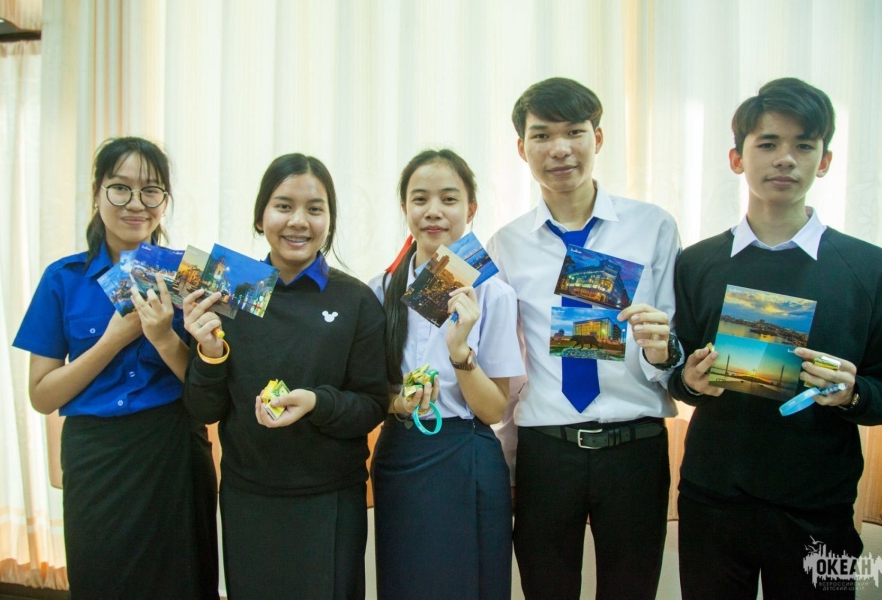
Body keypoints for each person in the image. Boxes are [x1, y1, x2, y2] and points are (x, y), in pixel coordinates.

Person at [670, 77, 882, 598]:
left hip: (819, 507)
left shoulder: (869, 267)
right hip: (713, 499)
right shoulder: (698, 262)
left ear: (825, 161)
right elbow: (675, 374)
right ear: (737, 159)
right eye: (768, 144)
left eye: (803, 146)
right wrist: (691, 381)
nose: (785, 159)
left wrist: (852, 393)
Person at [488, 77, 682, 599]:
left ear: (597, 138)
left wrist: (664, 350)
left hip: (635, 447)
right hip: (547, 453)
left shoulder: (653, 227)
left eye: (574, 131)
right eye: (542, 135)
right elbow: (503, 358)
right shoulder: (506, 244)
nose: (560, 149)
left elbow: (675, 342)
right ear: (521, 147)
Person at [12, 137, 219, 599]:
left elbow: (209, 392)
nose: (136, 203)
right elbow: (42, 395)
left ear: (165, 201)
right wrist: (112, 341)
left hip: (172, 448)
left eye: (151, 190)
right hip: (96, 457)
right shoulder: (63, 278)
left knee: (184, 583)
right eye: (120, 188)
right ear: (97, 193)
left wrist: (164, 337)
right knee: (101, 580)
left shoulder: (193, 275)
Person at [182, 153, 388, 599]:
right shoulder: (226, 291)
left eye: (314, 208)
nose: (298, 221)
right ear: (260, 217)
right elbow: (204, 409)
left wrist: (317, 402)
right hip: (248, 496)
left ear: (329, 221)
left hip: (331, 497)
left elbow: (372, 405)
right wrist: (210, 352)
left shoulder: (355, 300)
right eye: (283, 206)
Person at [368, 149, 524, 600]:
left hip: (466, 456)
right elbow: (369, 392)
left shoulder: (493, 293)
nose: (433, 211)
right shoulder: (379, 291)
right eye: (420, 199)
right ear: (404, 208)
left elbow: (493, 410)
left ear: (471, 209)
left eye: (449, 199)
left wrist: (460, 354)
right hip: (400, 454)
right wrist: (399, 403)